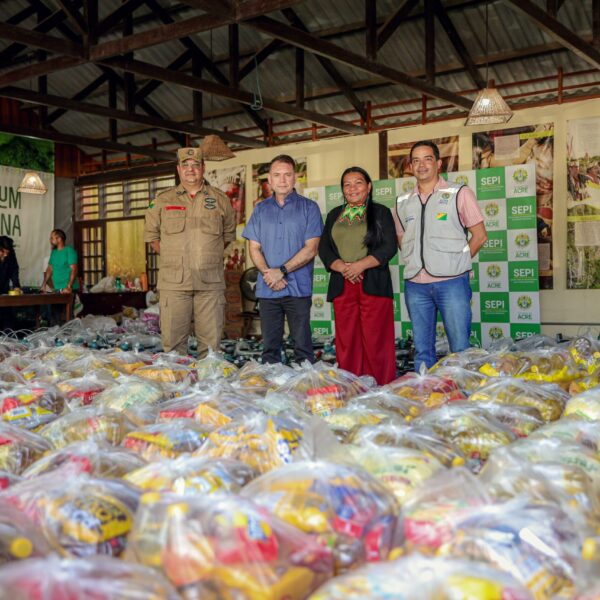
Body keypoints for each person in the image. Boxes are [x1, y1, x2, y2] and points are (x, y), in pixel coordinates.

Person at [395, 141, 488, 371]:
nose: (421, 165)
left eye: (427, 159)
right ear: (410, 166)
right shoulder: (402, 202)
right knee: (422, 349)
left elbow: (479, 236)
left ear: (438, 163)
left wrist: (458, 261)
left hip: (452, 283)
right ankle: (426, 397)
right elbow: (402, 239)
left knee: (459, 348)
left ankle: (462, 398)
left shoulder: (459, 193)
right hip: (416, 285)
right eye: (415, 160)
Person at [144, 146, 236, 357]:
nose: (190, 170)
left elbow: (228, 235)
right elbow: (152, 237)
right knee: (173, 348)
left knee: (211, 348)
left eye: (196, 165)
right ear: (178, 169)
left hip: (210, 283)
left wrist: (206, 257)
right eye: (185, 165)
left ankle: (208, 389)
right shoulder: (162, 200)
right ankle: (177, 388)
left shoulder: (221, 199)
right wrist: (174, 258)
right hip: (174, 284)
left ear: (203, 168)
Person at [318, 167, 397, 384]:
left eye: (358, 182)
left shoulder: (381, 212)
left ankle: (380, 388)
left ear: (369, 186)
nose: (352, 188)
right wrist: (344, 268)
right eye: (347, 184)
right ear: (342, 190)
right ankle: (351, 387)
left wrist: (360, 266)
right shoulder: (335, 214)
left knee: (376, 339)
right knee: (347, 341)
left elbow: (389, 247)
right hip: (343, 284)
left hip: (373, 283)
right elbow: (324, 249)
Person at [243, 154, 323, 364]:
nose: (282, 180)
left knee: (302, 349)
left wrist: (282, 271)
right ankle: (274, 395)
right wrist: (269, 274)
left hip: (297, 288)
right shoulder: (260, 210)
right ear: (269, 179)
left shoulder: (309, 208)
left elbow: (311, 248)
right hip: (268, 289)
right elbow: (254, 248)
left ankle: (304, 393)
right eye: (277, 175)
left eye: (287, 174)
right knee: (270, 350)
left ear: (295, 177)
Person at [41, 229, 79, 294]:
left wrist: (69, 286)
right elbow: (49, 269)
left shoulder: (69, 250)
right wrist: (44, 283)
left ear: (59, 239)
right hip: (57, 288)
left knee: (68, 304)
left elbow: (74, 269)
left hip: (68, 289)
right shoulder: (54, 252)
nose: (50, 240)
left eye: (52, 238)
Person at [0, 236, 20, 332]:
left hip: (4, 286)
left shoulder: (11, 254)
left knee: (6, 311)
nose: (5, 255)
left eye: (7, 253)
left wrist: (16, 286)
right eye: (2, 252)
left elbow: (14, 270)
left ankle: (8, 337)